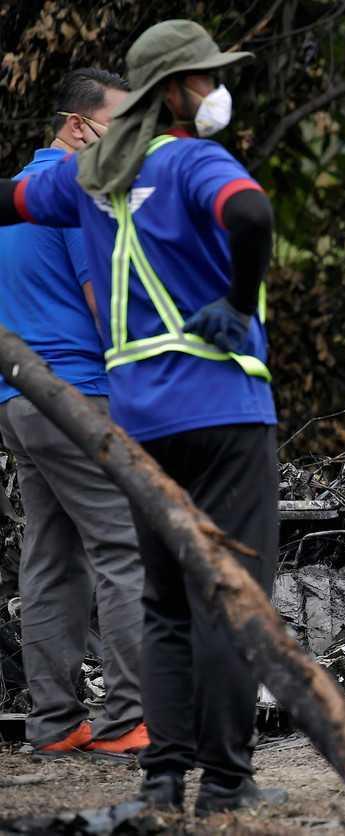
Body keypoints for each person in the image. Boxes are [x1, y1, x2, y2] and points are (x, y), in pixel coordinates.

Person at [0, 21, 284, 812]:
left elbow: (8, 200)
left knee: (163, 604)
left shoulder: (85, 177)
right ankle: (226, 783)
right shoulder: (195, 160)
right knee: (232, 596)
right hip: (224, 409)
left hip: (139, 421)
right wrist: (234, 305)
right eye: (205, 78)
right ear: (174, 93)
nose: (216, 90)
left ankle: (163, 776)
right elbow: (252, 216)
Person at [0, 69, 149, 762]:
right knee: (124, 545)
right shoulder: (76, 192)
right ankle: (129, 718)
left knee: (51, 558)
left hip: (18, 402)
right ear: (79, 126)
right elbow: (106, 305)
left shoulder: (11, 200)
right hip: (80, 396)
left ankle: (56, 722)